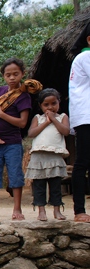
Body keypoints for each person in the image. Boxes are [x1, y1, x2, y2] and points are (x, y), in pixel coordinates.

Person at [0, 57, 42, 224]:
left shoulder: (24, 97)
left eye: (16, 74)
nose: (12, 78)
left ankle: (17, 209)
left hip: (13, 142)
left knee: (15, 176)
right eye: (8, 74)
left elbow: (22, 123)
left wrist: (1, 114)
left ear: (22, 74)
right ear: (3, 76)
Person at [25, 89, 69, 221]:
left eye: (53, 103)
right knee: (39, 186)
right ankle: (41, 211)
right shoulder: (38, 118)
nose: (50, 107)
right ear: (41, 106)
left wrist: (54, 120)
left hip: (54, 157)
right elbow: (31, 133)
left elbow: (65, 131)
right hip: (38, 157)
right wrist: (47, 122)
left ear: (59, 103)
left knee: (55, 186)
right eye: (46, 105)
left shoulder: (62, 117)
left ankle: (57, 210)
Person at [68, 21, 90, 223]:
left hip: (85, 117)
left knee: (83, 162)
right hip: (86, 118)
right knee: (82, 163)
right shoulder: (85, 57)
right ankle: (79, 211)